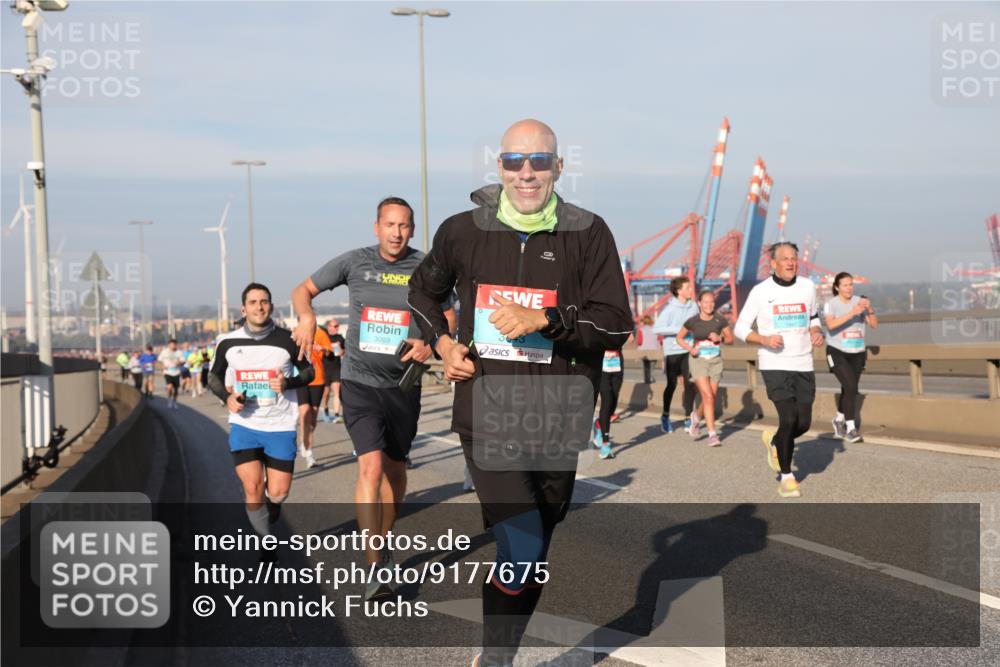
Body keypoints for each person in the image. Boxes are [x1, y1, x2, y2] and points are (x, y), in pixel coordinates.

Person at [408, 119, 633, 667]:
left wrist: (548, 319)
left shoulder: (589, 232)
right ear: (499, 166)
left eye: (539, 161)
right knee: (525, 547)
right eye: (514, 160)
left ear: (560, 167)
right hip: (487, 416)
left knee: (531, 553)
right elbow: (422, 291)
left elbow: (616, 324)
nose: (526, 172)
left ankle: (495, 653)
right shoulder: (463, 231)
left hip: (558, 420)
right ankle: (497, 659)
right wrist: (441, 343)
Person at [291, 196, 447, 601]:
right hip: (359, 382)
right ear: (376, 227)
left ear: (412, 229)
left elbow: (452, 313)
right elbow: (302, 291)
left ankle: (384, 536)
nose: (397, 233)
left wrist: (431, 342)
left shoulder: (427, 267)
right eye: (389, 225)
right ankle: (373, 561)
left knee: (395, 473)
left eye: (404, 226)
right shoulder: (354, 262)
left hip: (403, 386)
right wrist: (306, 316)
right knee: (371, 468)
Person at [208, 283, 314, 558]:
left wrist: (287, 382)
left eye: (264, 301)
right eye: (253, 302)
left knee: (277, 492)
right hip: (245, 424)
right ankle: (265, 542)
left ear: (271, 306)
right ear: (243, 309)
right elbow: (214, 377)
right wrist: (227, 398)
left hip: (279, 426)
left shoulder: (289, 339)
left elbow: (309, 372)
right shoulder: (227, 341)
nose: (259, 306)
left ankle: (270, 510)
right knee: (252, 487)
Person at [734, 242, 824, 498]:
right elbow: (740, 327)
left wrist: (816, 331)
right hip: (774, 364)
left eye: (793, 258)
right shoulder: (761, 292)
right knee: (788, 419)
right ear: (773, 264)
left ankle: (776, 441)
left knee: (803, 423)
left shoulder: (808, 287)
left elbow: (813, 317)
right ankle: (787, 477)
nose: (790, 262)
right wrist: (764, 339)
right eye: (784, 258)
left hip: (803, 362)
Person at [824, 272, 878, 443]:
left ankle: (838, 419)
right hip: (837, 350)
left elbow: (874, 325)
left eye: (851, 285)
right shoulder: (830, 304)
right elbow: (831, 325)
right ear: (837, 287)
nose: (849, 288)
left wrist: (869, 309)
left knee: (849, 388)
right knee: (851, 386)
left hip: (857, 352)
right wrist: (853, 313)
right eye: (845, 285)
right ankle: (851, 429)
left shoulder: (860, 301)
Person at [676, 289, 734, 447]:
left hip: (715, 361)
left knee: (711, 398)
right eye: (706, 302)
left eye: (712, 302)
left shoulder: (720, 320)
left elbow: (730, 339)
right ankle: (712, 434)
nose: (709, 305)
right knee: (708, 397)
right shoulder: (693, 321)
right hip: (698, 361)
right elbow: (679, 338)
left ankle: (695, 417)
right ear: (699, 303)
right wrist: (690, 349)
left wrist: (720, 337)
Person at [652, 276, 699, 433]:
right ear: (679, 291)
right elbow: (656, 329)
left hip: (688, 349)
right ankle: (665, 416)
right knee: (671, 385)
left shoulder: (694, 307)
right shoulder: (669, 309)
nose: (690, 289)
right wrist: (680, 329)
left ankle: (688, 418)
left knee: (689, 383)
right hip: (672, 351)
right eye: (687, 288)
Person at [297, 325, 332, 468]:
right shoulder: (295, 332)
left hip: (317, 379)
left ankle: (305, 440)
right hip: (301, 378)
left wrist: (322, 349)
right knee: (305, 412)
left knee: (312, 419)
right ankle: (309, 453)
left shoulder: (321, 334)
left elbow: (331, 353)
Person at [592, 347, 624, 459]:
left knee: (613, 402)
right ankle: (606, 445)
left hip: (617, 364)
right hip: (602, 366)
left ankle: (599, 424)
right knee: (607, 401)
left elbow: (630, 338)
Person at [320, 319, 346, 424]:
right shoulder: (324, 337)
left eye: (337, 326)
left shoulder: (340, 338)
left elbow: (344, 351)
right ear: (328, 327)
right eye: (333, 326)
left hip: (336, 368)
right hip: (324, 368)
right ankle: (325, 409)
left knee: (337, 391)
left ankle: (336, 414)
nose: (335, 328)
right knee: (326, 393)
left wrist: (341, 350)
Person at [158, 339, 185, 409]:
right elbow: (159, 361)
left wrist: (179, 362)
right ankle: (169, 400)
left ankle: (175, 402)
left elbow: (183, 361)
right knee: (170, 387)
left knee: (176, 389)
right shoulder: (164, 352)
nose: (173, 346)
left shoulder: (179, 352)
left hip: (176, 372)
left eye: (174, 344)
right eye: (172, 344)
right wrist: (161, 366)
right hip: (167, 372)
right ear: (169, 345)